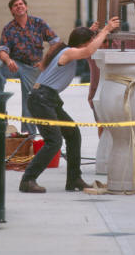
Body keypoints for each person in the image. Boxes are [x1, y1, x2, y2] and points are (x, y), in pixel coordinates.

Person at [19, 16, 120, 194]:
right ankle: (28, 180)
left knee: (73, 134)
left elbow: (84, 46)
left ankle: (74, 179)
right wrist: (106, 30)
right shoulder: (68, 53)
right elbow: (88, 50)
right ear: (82, 43)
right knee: (54, 141)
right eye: (88, 41)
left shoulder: (68, 50)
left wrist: (91, 31)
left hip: (47, 99)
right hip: (41, 99)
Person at [0, 0, 60, 134]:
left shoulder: (38, 23)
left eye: (21, 4)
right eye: (15, 5)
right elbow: (2, 50)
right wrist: (8, 61)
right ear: (12, 11)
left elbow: (56, 42)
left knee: (29, 100)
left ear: (26, 7)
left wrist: (45, 61)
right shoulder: (8, 28)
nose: (19, 6)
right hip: (16, 65)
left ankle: (28, 136)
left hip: (34, 67)